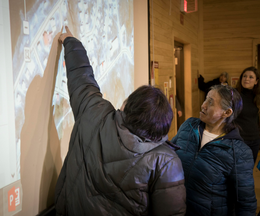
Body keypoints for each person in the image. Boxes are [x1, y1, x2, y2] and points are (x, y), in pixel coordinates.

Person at [54, 26, 186, 216]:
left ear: (126, 106)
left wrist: (71, 42)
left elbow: (82, 80)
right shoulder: (165, 161)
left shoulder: (95, 113)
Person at [172, 85, 257, 216]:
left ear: (227, 113)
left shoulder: (238, 152)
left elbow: (246, 202)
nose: (203, 105)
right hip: (177, 210)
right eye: (206, 99)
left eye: (210, 102)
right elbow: (168, 152)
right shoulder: (189, 126)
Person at [235, 66, 260, 163]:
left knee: (249, 171)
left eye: (251, 77)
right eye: (244, 76)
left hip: (255, 140)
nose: (247, 79)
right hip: (239, 140)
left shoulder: (258, 97)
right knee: (239, 172)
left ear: (256, 81)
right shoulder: (234, 95)